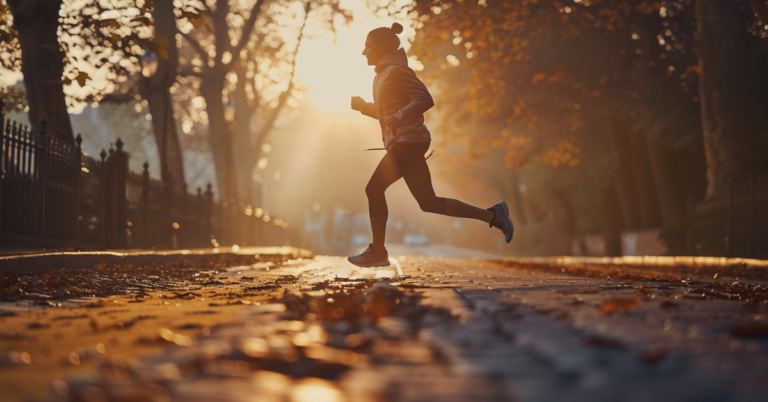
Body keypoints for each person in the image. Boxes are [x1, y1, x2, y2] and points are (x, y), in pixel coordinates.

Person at [348, 22, 514, 267]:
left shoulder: (396, 70)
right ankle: (493, 214)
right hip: (405, 142)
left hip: (408, 141)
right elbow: (389, 114)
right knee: (429, 203)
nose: (364, 52)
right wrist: (366, 109)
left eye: (368, 46)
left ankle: (378, 251)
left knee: (374, 189)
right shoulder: (382, 75)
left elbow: (425, 98)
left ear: (382, 47)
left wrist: (402, 116)